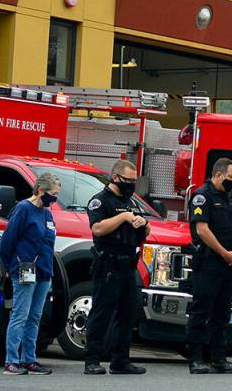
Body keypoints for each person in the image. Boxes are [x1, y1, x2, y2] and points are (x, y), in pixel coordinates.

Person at [83, 159, 150, 375]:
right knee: (102, 313)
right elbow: (98, 228)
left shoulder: (131, 202)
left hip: (129, 265)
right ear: (115, 177)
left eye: (134, 181)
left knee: (128, 314)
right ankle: (92, 360)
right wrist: (122, 217)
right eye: (127, 180)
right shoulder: (101, 201)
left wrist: (144, 224)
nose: (131, 185)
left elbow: (144, 231)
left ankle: (120, 360)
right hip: (108, 264)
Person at [185, 157, 232, 374]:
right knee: (201, 311)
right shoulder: (202, 196)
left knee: (222, 313)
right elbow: (202, 230)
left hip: (229, 264)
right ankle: (195, 358)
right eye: (231, 177)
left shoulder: (231, 196)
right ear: (218, 175)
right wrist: (223, 253)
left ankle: (219, 358)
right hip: (210, 262)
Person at [0, 171, 61, 376]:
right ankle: (11, 360)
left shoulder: (46, 213)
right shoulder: (23, 209)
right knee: (20, 315)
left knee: (35, 316)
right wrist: (10, 267)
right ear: (41, 190)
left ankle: (29, 359)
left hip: (43, 271)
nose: (55, 199)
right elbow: (8, 241)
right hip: (24, 269)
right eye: (53, 194)